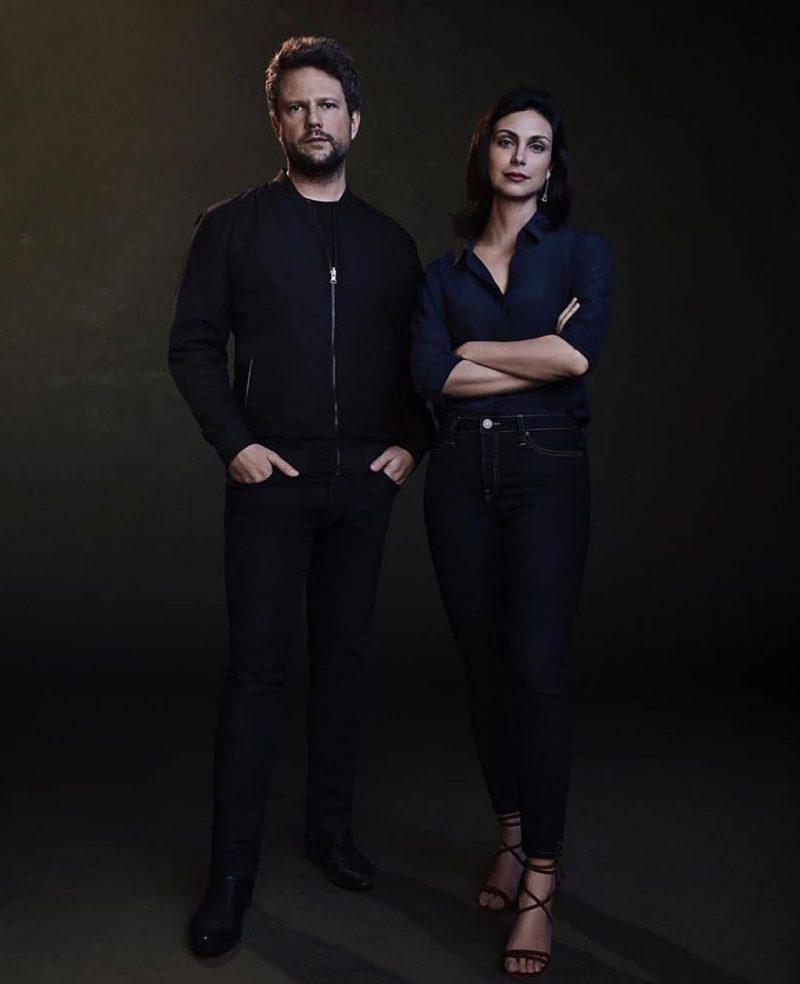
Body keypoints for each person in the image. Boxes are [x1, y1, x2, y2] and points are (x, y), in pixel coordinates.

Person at [168, 35, 433, 958]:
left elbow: (427, 359)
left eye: (328, 105)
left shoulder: (391, 244)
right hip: (270, 484)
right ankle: (230, 874)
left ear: (355, 120)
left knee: (344, 663)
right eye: (297, 106)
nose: (313, 119)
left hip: (362, 487)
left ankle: (329, 831)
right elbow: (192, 345)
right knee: (256, 672)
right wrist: (235, 444)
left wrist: (412, 442)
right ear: (276, 122)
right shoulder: (231, 228)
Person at [409, 88, 612, 977]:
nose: (521, 157)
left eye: (537, 145)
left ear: (551, 164)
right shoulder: (441, 273)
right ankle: (510, 832)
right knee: (484, 668)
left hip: (546, 471)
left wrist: (473, 352)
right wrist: (524, 353)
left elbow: (575, 356)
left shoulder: (580, 254)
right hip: (458, 474)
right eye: (506, 141)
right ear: (483, 154)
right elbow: (428, 377)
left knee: (536, 668)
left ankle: (541, 878)